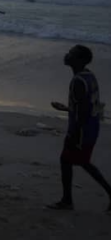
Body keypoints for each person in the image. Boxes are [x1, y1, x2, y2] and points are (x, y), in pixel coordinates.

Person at [47, 45, 111, 212]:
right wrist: (66, 109)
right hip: (91, 127)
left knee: (68, 161)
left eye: (72, 54)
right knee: (82, 162)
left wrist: (73, 135)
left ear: (80, 60)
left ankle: (67, 201)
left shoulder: (78, 82)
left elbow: (83, 113)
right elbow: (89, 107)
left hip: (82, 131)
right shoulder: (89, 76)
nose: (67, 55)